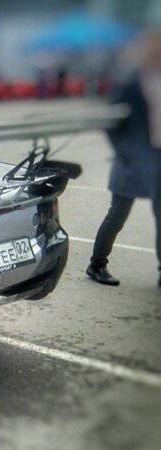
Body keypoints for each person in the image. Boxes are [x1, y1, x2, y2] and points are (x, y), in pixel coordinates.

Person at [87, 31, 161, 287]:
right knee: (118, 214)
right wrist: (126, 154)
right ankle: (97, 264)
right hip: (132, 160)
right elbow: (110, 122)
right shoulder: (130, 82)